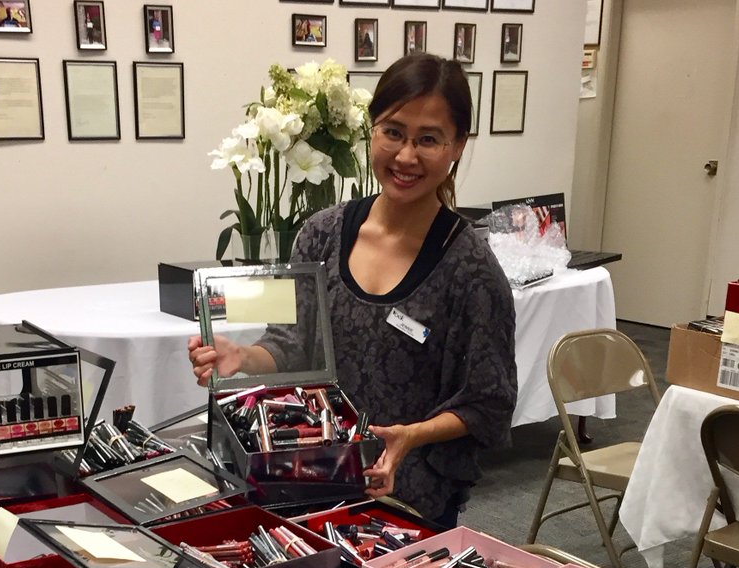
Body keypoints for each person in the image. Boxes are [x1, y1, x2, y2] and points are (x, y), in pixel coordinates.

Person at [188, 53, 517, 525]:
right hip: (306, 482)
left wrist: (411, 435)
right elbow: (290, 345)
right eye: (393, 132)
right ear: (371, 130)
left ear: (458, 145)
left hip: (405, 502)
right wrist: (242, 358)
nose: (406, 156)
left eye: (429, 139)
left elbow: (489, 402)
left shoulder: (471, 270)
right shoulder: (320, 235)